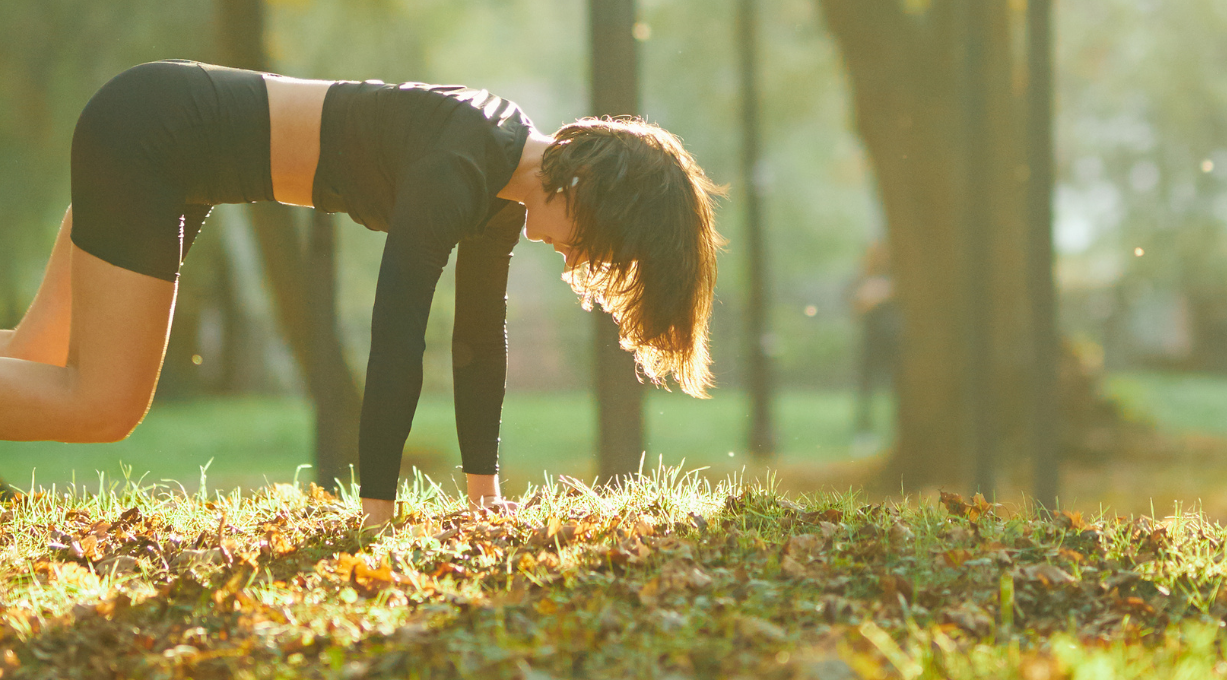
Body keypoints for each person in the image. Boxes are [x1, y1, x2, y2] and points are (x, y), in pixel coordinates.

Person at [0, 61, 719, 525]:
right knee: (102, 402)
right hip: (149, 140)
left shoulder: (500, 175)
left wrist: (484, 497)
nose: (573, 257)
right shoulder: (457, 167)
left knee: (35, 360)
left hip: (163, 143)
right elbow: (398, 336)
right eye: (592, 241)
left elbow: (475, 342)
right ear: (584, 185)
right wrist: (377, 513)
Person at [850, 240, 901, 448]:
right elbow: (856, 303)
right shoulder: (864, 278)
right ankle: (864, 431)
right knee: (867, 387)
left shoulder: (896, 279)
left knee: (896, 386)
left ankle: (894, 430)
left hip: (895, 340)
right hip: (871, 341)